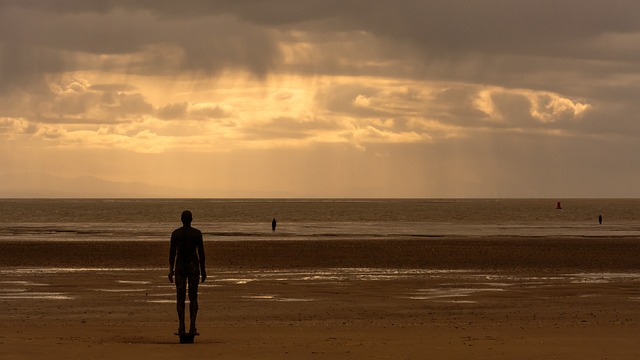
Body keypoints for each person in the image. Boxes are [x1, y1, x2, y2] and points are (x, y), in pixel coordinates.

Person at [169, 210, 206, 335]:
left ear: (181, 219)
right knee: (193, 297)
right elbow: (201, 253)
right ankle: (192, 326)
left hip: (180, 266)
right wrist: (203, 270)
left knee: (180, 298)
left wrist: (170, 270)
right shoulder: (196, 234)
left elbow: (172, 254)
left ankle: (181, 326)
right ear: (191, 219)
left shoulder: (176, 234)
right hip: (193, 267)